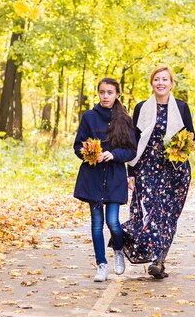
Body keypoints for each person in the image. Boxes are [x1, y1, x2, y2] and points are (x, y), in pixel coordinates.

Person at [121, 66, 195, 279]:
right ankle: (143, 247)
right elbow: (133, 141)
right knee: (151, 212)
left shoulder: (181, 107)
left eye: (165, 79)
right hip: (148, 168)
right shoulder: (141, 107)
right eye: (157, 79)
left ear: (172, 83)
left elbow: (192, 137)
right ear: (152, 83)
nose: (161, 83)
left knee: (169, 215)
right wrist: (131, 171)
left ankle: (159, 261)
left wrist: (180, 148)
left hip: (175, 169)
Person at [73, 78, 137, 282]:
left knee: (113, 221)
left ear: (117, 94)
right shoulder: (89, 117)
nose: (105, 96)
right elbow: (77, 146)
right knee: (96, 223)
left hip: (114, 177)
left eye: (110, 92)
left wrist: (113, 154)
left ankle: (119, 250)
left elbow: (131, 150)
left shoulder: (124, 119)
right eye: (102, 92)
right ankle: (101, 264)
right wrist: (91, 154)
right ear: (98, 94)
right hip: (93, 176)